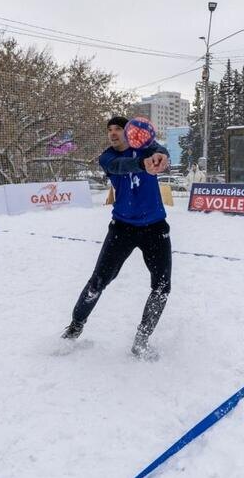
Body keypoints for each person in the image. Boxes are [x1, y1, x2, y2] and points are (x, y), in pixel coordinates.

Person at [62, 116, 171, 359]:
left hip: (155, 227)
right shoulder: (107, 157)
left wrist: (161, 156)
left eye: (118, 129)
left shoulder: (147, 149)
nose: (113, 133)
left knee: (162, 287)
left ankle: (142, 340)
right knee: (97, 282)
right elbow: (120, 167)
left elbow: (159, 149)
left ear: (131, 131)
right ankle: (74, 328)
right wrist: (143, 164)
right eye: (109, 129)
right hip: (122, 228)